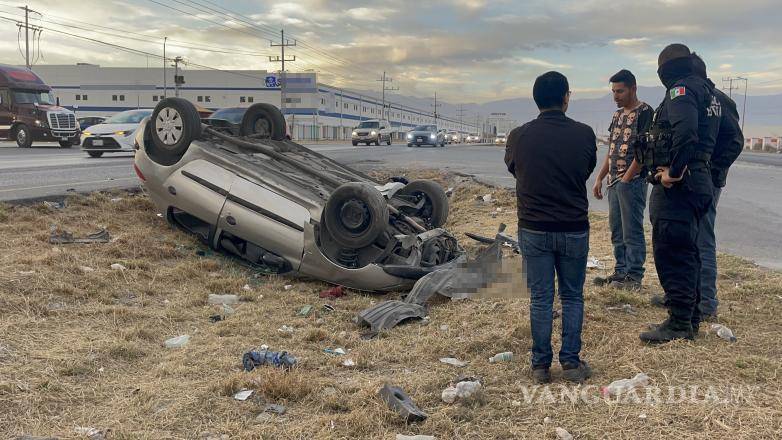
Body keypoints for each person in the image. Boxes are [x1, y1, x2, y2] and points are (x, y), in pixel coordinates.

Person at [504, 71, 597, 383]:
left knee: (541, 297)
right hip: (573, 226)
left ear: (536, 99)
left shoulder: (518, 136)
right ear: (566, 97)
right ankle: (571, 362)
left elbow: (515, 170)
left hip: (534, 227)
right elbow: (585, 169)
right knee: (572, 295)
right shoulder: (585, 134)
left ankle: (540, 366)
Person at [638, 44, 720, 344]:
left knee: (672, 251)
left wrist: (673, 172)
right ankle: (690, 317)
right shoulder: (709, 92)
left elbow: (685, 133)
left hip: (680, 187)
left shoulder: (681, 91)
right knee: (689, 252)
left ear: (666, 70)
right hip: (699, 180)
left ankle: (679, 322)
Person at [593, 70, 653, 290]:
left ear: (633, 88)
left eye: (620, 91)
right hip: (613, 181)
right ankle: (620, 272)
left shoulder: (645, 112)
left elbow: (644, 151)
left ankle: (634, 276)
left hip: (633, 181)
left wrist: (627, 179)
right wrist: (600, 178)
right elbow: (612, 149)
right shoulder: (617, 115)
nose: (616, 96)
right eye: (613, 91)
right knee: (617, 229)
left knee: (632, 230)